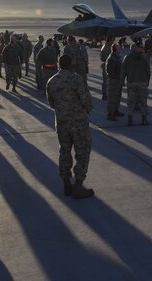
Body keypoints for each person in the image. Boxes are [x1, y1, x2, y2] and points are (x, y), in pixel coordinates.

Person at [46, 54, 94, 199]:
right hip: (78, 123)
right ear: (71, 64)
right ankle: (78, 185)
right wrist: (85, 109)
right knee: (83, 152)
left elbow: (51, 103)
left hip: (62, 123)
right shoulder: (76, 79)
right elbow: (87, 100)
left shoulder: (51, 81)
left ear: (59, 64)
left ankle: (66, 183)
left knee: (64, 151)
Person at [121, 43, 151, 125]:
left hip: (131, 82)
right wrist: (148, 80)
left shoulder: (126, 58)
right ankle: (144, 119)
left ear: (131, 49)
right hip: (142, 82)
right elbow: (148, 70)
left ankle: (130, 118)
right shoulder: (143, 57)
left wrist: (122, 81)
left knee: (130, 101)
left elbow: (123, 71)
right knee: (143, 101)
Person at [105, 43, 124, 120]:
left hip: (117, 80)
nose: (120, 49)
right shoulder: (112, 59)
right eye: (119, 48)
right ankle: (110, 114)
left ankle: (115, 110)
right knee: (112, 97)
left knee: (117, 97)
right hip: (113, 81)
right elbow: (110, 72)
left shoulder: (116, 57)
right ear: (115, 50)